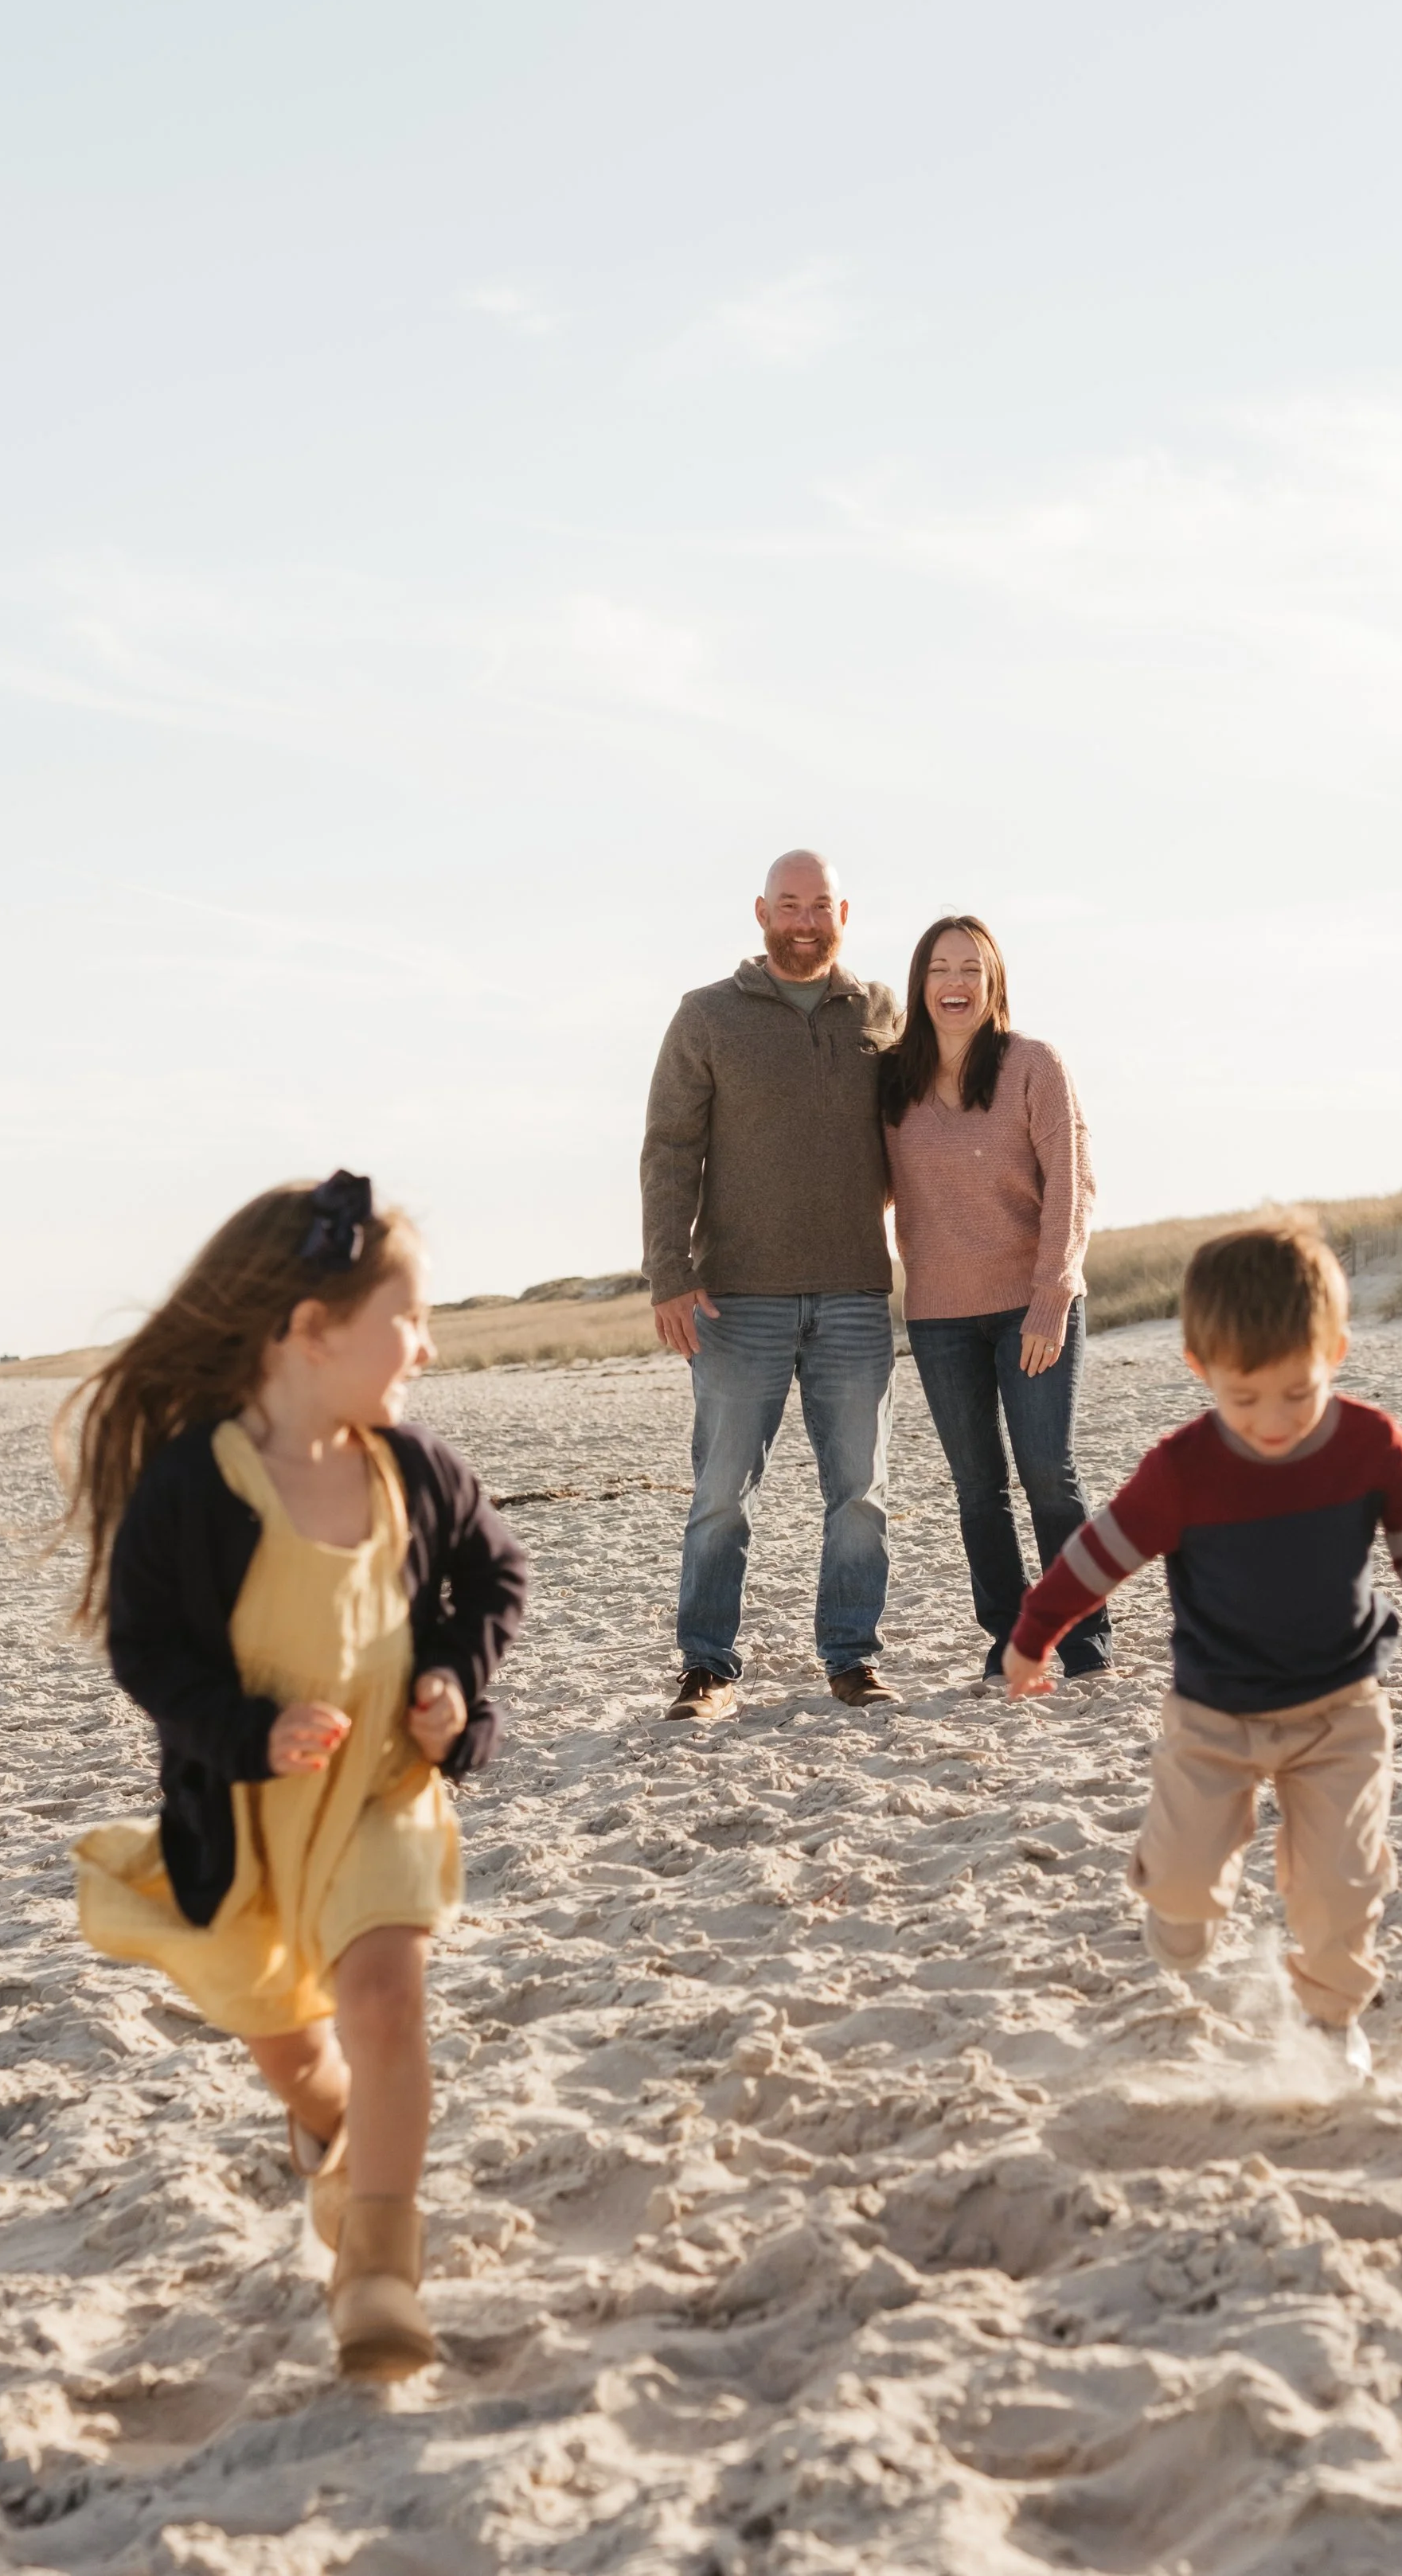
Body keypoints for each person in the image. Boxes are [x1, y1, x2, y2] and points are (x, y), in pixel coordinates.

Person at [57, 1171, 528, 2380]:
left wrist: (452, 1685)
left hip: (380, 1794)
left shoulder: (416, 1471)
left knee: (386, 2000)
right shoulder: (194, 1486)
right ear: (312, 1332)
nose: (426, 1342)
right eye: (407, 1318)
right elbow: (147, 1647)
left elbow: (494, 1579)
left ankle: (377, 2270)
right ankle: (325, 2118)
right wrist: (243, 1728)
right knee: (294, 2046)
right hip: (252, 1822)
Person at [1004, 1219, 1402, 2074]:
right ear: (1200, 1369)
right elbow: (1099, 1554)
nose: (1272, 1421)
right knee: (1184, 1900)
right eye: (1243, 1396)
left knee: (1342, 1886)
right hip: (1213, 1714)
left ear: (1334, 1351)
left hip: (1340, 1709)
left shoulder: (1369, 1443)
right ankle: (1180, 1906)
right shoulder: (1183, 1469)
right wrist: (1036, 1635)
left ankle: (1333, 2023)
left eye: (1298, 1393)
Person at [642, 849, 902, 1719]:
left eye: (818, 905)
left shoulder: (879, 1013)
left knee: (860, 1494)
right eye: (788, 905)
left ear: (843, 914)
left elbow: (928, 1129)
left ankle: (852, 1658)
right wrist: (668, 1276)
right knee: (720, 1497)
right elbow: (670, 1151)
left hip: (855, 1293)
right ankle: (706, 1667)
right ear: (760, 913)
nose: (804, 921)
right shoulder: (706, 1015)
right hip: (734, 1298)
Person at [881, 914, 1105, 1683]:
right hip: (939, 1316)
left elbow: (1072, 1186)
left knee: (1048, 1472)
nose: (955, 983)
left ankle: (1079, 1634)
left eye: (971, 968)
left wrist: (1052, 1297)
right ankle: (1011, 1636)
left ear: (994, 981)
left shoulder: (1033, 1064)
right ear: (920, 983)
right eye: (940, 968)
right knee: (978, 1487)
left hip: (1030, 1305)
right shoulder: (892, 1083)